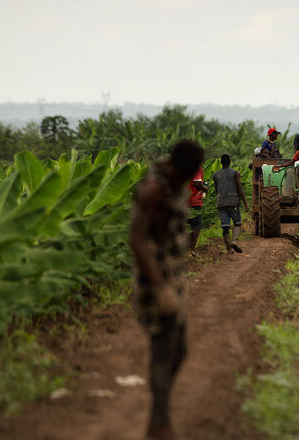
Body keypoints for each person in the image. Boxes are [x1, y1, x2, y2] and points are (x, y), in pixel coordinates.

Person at [129, 140, 204, 440]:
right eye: (185, 176)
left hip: (172, 277)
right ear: (177, 168)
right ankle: (160, 424)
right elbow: (136, 241)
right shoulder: (152, 192)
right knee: (162, 351)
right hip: (155, 281)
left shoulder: (174, 185)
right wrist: (161, 289)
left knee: (180, 351)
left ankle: (156, 417)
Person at [212, 154, 249, 254]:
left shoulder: (215, 175)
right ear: (230, 162)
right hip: (233, 202)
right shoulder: (235, 173)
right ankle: (234, 241)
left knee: (225, 226)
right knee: (237, 223)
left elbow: (217, 190)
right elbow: (240, 188)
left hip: (221, 203)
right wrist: (245, 203)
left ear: (221, 163)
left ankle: (229, 249)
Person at [187, 166, 208, 251]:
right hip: (194, 201)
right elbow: (197, 183)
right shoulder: (197, 168)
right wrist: (205, 188)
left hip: (181, 202)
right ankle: (191, 249)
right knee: (196, 226)